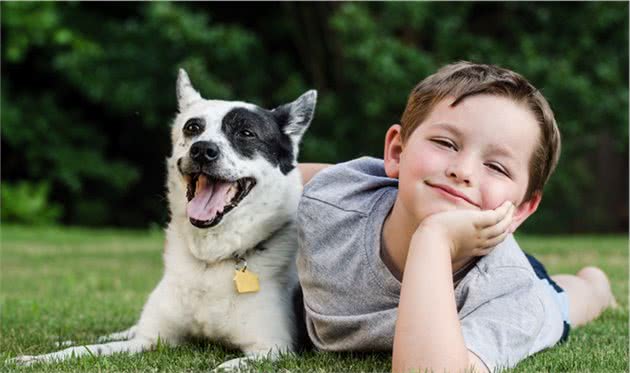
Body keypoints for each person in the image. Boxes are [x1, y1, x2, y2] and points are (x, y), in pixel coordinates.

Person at [296, 62, 617, 372]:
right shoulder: (334, 199)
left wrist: (434, 239)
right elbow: (278, 180)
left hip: (506, 275)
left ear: (521, 210)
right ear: (396, 152)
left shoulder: (512, 297)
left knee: (565, 301)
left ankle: (596, 285)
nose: (462, 171)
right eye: (445, 143)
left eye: (496, 167)